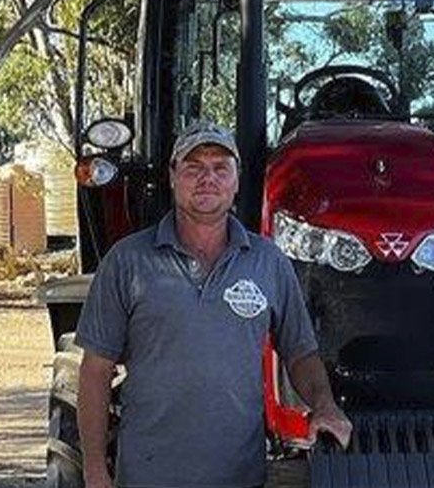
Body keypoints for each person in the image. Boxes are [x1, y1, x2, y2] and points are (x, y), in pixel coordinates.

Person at [76, 120, 351, 488]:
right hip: (147, 477)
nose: (208, 178)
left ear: (237, 181)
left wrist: (325, 405)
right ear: (173, 177)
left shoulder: (268, 261)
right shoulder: (127, 262)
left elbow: (300, 352)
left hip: (239, 477)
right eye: (193, 167)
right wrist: (94, 469)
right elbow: (95, 370)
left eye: (221, 168)